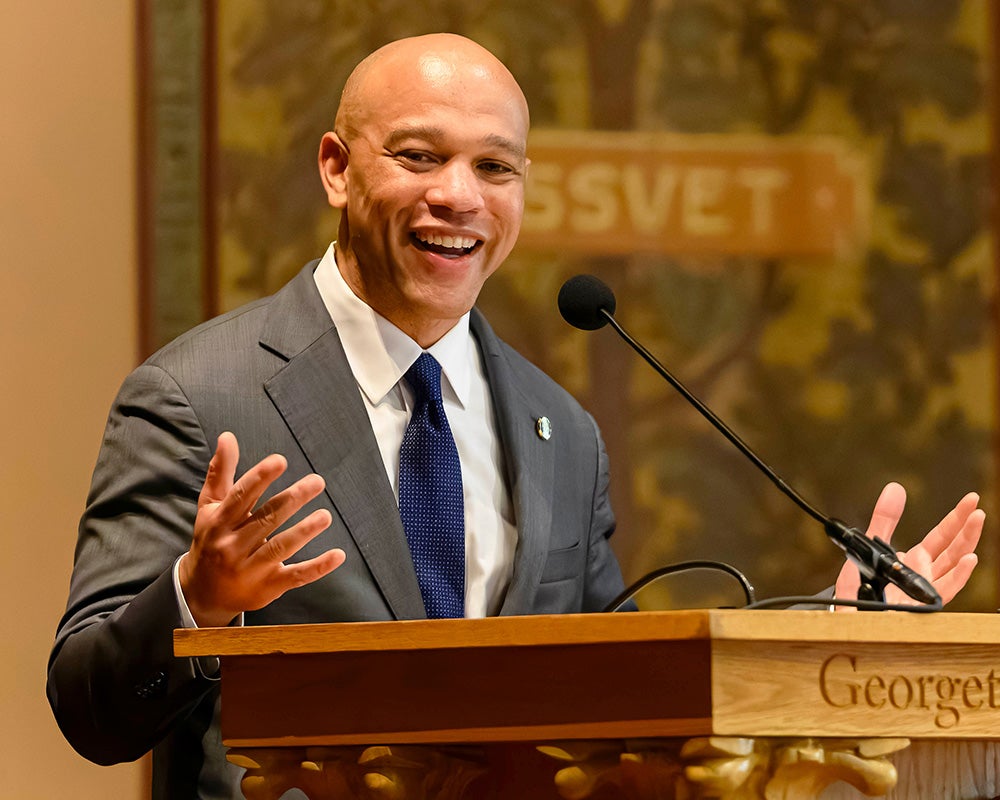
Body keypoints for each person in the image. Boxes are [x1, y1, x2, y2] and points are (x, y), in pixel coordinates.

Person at [47, 33, 984, 800]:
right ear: (336, 168)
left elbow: (610, 701)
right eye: (419, 156)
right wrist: (196, 602)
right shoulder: (197, 396)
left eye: (494, 166)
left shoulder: (559, 428)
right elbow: (90, 708)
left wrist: (821, 639)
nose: (458, 195)